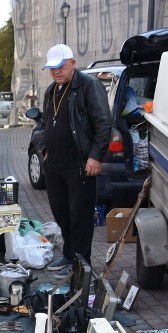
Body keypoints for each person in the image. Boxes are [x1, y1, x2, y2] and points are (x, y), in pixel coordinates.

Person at [37, 44, 111, 278]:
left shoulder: (89, 86)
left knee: (79, 215)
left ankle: (81, 262)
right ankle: (69, 254)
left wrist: (95, 156)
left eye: (60, 66)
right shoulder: (52, 90)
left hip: (79, 164)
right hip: (55, 165)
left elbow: (103, 122)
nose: (56, 71)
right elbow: (44, 123)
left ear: (72, 63)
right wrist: (44, 148)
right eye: (52, 68)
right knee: (61, 213)